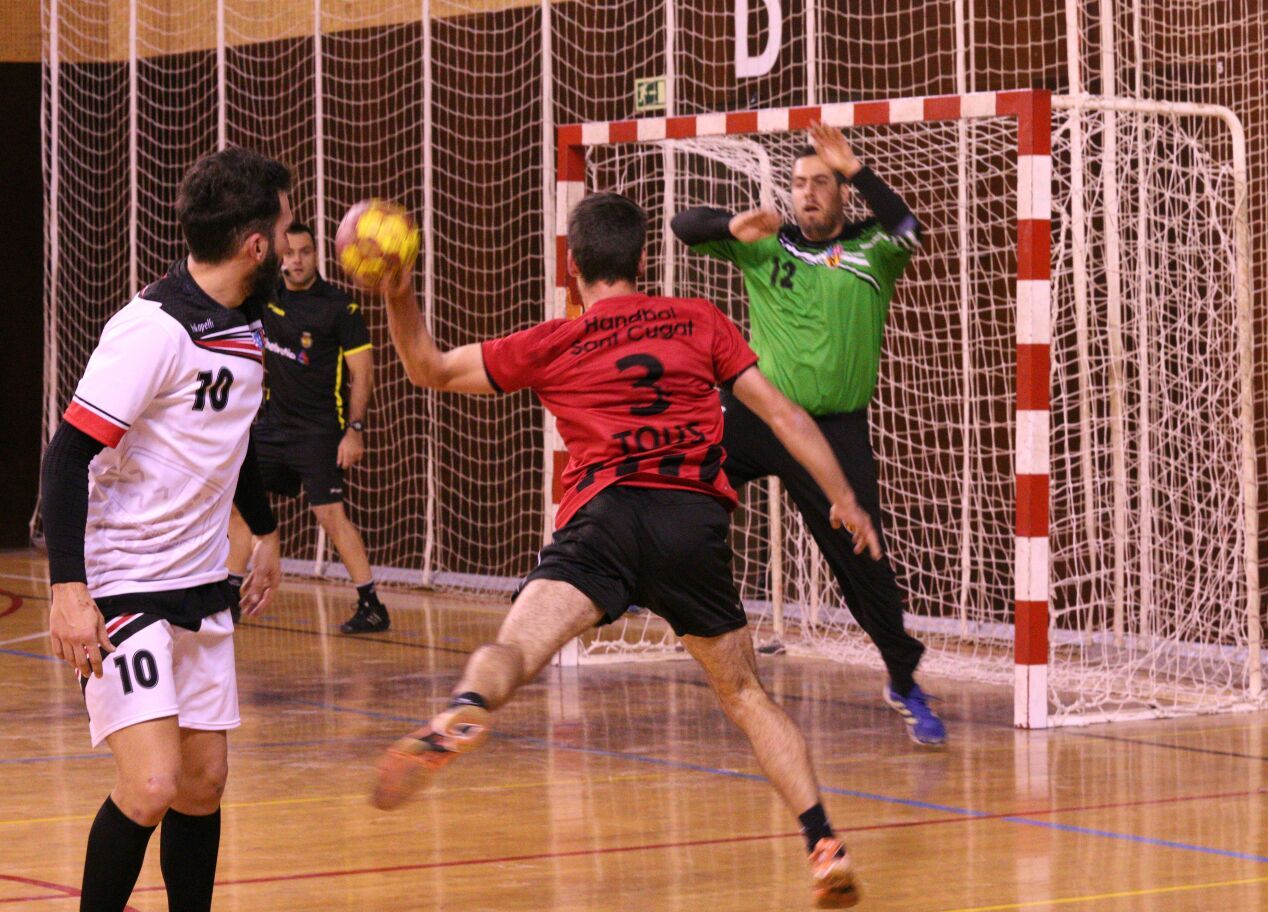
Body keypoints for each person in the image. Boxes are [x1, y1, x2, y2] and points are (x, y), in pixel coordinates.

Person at [370, 193, 873, 908]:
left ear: (572, 264)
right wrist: (843, 496)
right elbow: (785, 414)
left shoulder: (553, 340)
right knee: (745, 695)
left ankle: (465, 707)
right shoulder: (699, 320)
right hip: (689, 526)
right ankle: (823, 844)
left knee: (515, 647)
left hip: (601, 521)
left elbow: (430, 368)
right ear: (644, 259)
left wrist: (398, 292)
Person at [41, 147, 290, 912]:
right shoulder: (152, 328)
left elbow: (233, 436)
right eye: (285, 228)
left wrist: (268, 531)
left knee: (201, 786)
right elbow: (67, 454)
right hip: (125, 583)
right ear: (256, 246)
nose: (290, 242)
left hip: (201, 586)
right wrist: (68, 590)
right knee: (150, 785)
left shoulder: (249, 325)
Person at [670, 122, 945, 746]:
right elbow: (683, 228)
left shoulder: (876, 247)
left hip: (833, 434)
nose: (808, 194)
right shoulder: (768, 245)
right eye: (799, 184)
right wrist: (734, 225)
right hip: (759, 414)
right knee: (675, 478)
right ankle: (625, 580)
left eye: (821, 183)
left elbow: (911, 229)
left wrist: (856, 169)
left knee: (864, 561)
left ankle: (903, 678)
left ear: (841, 192)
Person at [226, 221, 387, 634]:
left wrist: (354, 429)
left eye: (305, 252)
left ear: (317, 256)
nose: (296, 260)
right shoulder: (264, 298)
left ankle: (371, 604)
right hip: (271, 427)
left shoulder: (339, 307)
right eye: (290, 252)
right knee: (243, 506)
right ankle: (228, 597)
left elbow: (363, 374)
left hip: (319, 431)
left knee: (329, 513)